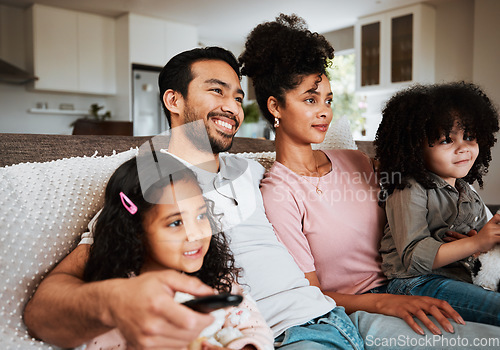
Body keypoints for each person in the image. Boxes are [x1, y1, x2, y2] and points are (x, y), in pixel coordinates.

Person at [24, 46, 364, 350]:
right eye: (217, 91)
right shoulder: (149, 183)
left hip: (332, 313)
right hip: (276, 335)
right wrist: (113, 300)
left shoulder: (251, 169)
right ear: (174, 100)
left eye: (237, 97)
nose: (232, 107)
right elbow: (43, 309)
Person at [240, 13, 500, 346]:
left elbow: (413, 202)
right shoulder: (279, 192)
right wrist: (384, 302)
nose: (325, 111)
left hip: (415, 282)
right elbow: (311, 292)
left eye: (328, 100)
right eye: (310, 99)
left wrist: (458, 235)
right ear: (275, 106)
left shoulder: (355, 160)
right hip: (360, 309)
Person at [82, 152, 273, 350]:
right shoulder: (122, 300)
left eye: (200, 216)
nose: (195, 234)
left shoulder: (218, 283)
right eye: (175, 223)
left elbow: (256, 330)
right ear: (135, 230)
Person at [374, 82, 500, 326]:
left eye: (470, 137)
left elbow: (484, 249)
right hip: (416, 284)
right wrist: (477, 242)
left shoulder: (467, 192)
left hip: (459, 278)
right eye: (446, 140)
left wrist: (478, 245)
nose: (463, 148)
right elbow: (413, 257)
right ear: (414, 147)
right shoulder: (408, 189)